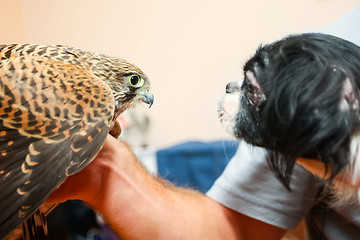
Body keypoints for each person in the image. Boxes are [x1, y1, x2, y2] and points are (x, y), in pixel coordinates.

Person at [47, 7, 360, 240]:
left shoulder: (320, 74)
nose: (234, 90)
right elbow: (230, 229)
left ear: (343, 97)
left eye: (252, 89)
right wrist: (107, 170)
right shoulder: (313, 57)